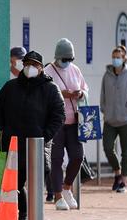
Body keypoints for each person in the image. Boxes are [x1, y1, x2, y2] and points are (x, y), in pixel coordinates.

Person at [0, 50, 65, 220]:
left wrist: (44, 136)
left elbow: (59, 115)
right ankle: (24, 214)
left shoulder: (50, 89)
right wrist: (2, 132)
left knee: (37, 183)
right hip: (14, 144)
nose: (29, 67)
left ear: (41, 67)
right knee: (16, 183)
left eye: (34, 65)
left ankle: (36, 214)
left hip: (37, 145)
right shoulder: (10, 87)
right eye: (26, 64)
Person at [43, 38, 88, 210]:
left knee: (78, 156)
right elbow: (44, 94)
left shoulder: (75, 70)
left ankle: (67, 187)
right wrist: (62, 94)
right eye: (64, 59)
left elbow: (85, 88)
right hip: (56, 123)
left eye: (70, 59)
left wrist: (81, 94)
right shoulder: (48, 71)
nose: (67, 62)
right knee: (56, 159)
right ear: (57, 57)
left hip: (75, 121)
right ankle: (58, 196)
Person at [101, 45, 127, 193]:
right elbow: (103, 95)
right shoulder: (107, 75)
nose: (116, 59)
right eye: (114, 56)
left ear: (124, 58)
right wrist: (105, 110)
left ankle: (123, 182)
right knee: (108, 147)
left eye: (119, 57)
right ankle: (117, 173)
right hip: (110, 120)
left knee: (126, 152)